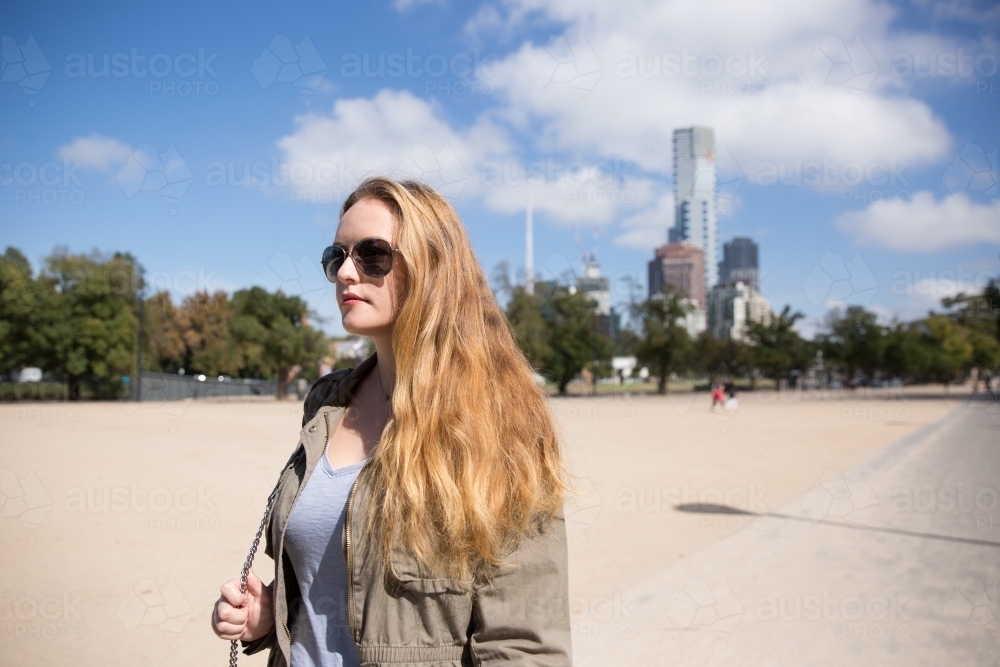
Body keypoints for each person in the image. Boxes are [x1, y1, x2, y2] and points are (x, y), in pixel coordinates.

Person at [211, 177, 572, 667]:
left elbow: (526, 646)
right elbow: (329, 588)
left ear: (431, 267)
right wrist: (267, 615)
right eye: (335, 256)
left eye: (372, 254)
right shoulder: (325, 403)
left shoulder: (503, 425)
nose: (345, 272)